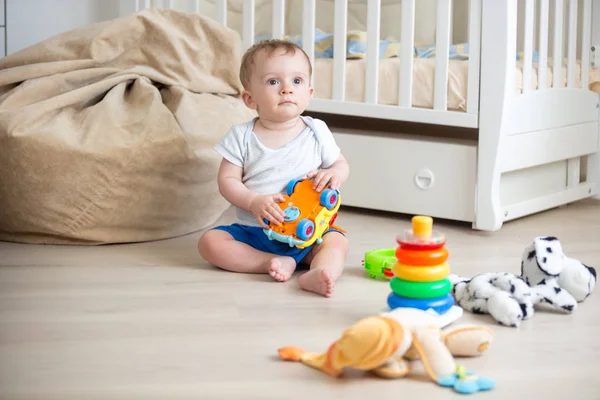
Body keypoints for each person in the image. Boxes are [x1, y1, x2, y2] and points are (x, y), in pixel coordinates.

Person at [198, 39, 350, 298]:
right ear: (249, 98)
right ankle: (269, 261)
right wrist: (253, 200)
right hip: (256, 232)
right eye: (272, 82)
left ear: (309, 94)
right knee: (209, 243)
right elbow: (227, 180)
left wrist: (334, 173)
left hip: (309, 231)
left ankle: (318, 272)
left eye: (297, 81)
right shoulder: (241, 137)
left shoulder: (317, 131)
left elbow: (340, 164)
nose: (286, 90)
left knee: (337, 242)